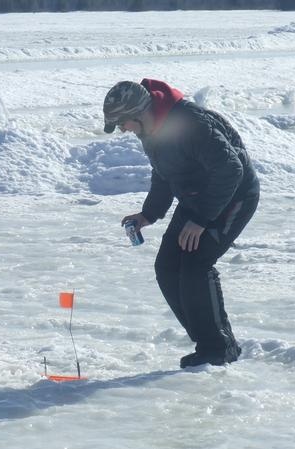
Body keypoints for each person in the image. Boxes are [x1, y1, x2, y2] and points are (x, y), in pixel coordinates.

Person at [103, 79, 259, 369]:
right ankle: (213, 341)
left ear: (138, 113)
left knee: (196, 264)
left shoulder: (190, 124)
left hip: (232, 194)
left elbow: (231, 170)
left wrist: (201, 220)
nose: (123, 130)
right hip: (198, 198)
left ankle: (217, 350)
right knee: (167, 266)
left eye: (123, 123)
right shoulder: (150, 130)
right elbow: (165, 173)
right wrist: (148, 214)